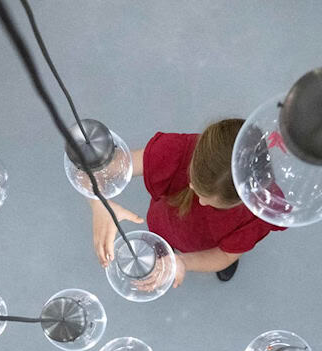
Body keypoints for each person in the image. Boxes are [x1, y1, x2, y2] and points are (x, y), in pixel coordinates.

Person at [88, 119, 284, 287]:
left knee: (229, 248)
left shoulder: (263, 208)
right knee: (162, 244)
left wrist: (183, 262)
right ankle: (165, 247)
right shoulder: (174, 151)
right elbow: (90, 170)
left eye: (212, 203)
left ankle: (180, 253)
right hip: (163, 224)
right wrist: (98, 203)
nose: (200, 202)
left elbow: (225, 255)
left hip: (210, 244)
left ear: (245, 200)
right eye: (194, 187)